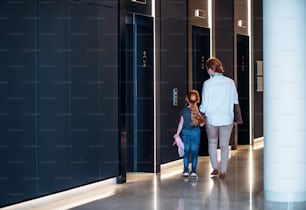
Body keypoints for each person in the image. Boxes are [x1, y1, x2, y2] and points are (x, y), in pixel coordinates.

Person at [199, 57, 239, 179]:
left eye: (207, 69)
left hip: (212, 118)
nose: (207, 72)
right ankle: (223, 171)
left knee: (212, 143)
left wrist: (200, 111)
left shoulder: (207, 83)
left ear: (211, 69)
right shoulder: (230, 82)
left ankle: (215, 168)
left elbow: (205, 105)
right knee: (224, 145)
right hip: (227, 118)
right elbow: (234, 100)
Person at [174, 90, 205, 178]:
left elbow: (181, 123)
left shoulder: (183, 110)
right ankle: (194, 171)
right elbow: (202, 124)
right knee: (195, 153)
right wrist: (200, 117)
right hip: (196, 133)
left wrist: (177, 134)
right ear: (198, 100)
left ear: (187, 99)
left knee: (186, 151)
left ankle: (186, 170)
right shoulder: (200, 111)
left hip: (185, 132)